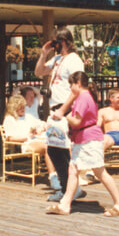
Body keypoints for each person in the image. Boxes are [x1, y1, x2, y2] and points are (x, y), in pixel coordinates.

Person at [46, 71, 119, 216]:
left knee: (99, 171)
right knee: (73, 169)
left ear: (77, 84)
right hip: (84, 139)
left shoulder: (83, 97)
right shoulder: (85, 96)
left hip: (89, 139)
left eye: (71, 84)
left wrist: (64, 116)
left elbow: (76, 121)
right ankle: (65, 204)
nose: (70, 88)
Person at [34, 27, 86, 201]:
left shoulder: (74, 60)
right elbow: (39, 72)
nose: (53, 45)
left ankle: (70, 188)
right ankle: (67, 187)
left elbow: (77, 86)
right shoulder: (57, 59)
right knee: (55, 149)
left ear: (63, 42)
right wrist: (43, 54)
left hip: (65, 108)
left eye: (55, 42)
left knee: (61, 149)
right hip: (56, 109)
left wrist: (64, 110)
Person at [2, 94, 58, 180]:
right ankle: (53, 176)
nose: (23, 109)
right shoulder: (10, 119)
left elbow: (40, 123)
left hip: (36, 139)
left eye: (23, 107)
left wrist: (41, 128)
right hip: (26, 143)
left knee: (59, 143)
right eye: (20, 107)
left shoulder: (27, 116)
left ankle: (62, 173)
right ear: (14, 108)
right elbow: (11, 138)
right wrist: (28, 136)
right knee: (48, 147)